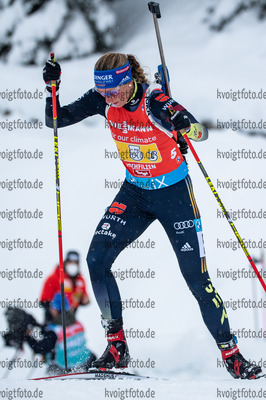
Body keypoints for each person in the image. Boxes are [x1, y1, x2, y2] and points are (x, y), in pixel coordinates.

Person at [43, 52, 262, 379]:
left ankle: (232, 355)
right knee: (96, 259)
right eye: (103, 92)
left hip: (175, 198)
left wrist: (185, 125)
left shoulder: (155, 101)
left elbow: (202, 133)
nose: (109, 98)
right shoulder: (102, 100)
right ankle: (117, 346)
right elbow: (56, 119)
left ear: (129, 79)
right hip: (135, 194)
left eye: (114, 91)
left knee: (197, 280)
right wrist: (53, 89)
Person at [3, 297, 96, 376]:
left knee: (52, 366)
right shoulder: (77, 323)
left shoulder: (54, 330)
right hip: (86, 360)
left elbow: (40, 348)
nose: (50, 309)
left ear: (57, 310)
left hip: (66, 367)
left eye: (53, 307)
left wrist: (28, 336)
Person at [40, 250, 90, 324]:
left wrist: (84, 300)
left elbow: (84, 297)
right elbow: (43, 300)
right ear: (65, 262)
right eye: (70, 262)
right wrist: (51, 309)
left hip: (70, 319)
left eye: (75, 263)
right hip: (52, 320)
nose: (72, 265)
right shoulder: (54, 278)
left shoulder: (80, 280)